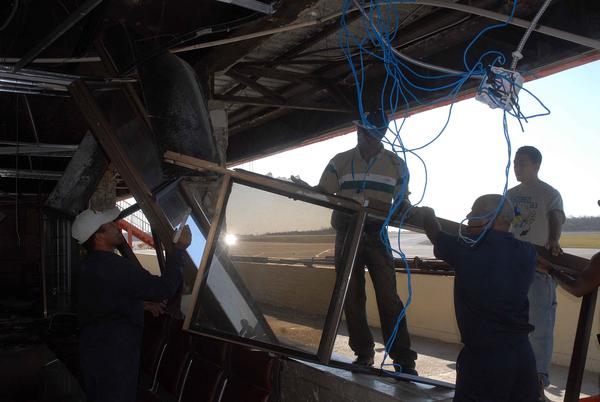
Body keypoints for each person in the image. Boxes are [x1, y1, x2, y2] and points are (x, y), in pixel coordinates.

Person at [301, 110, 417, 374]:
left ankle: (403, 359)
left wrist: (411, 210)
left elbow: (402, 202)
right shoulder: (340, 161)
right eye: (362, 130)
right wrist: (304, 190)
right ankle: (363, 353)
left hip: (377, 235)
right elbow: (323, 192)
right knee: (351, 297)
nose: (363, 134)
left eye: (368, 130)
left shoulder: (396, 165)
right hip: (346, 233)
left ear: (380, 132)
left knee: (389, 299)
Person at [419, 195, 538, 401]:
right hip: (523, 357)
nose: (468, 217)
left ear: (489, 219)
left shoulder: (467, 249)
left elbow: (435, 232)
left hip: (485, 360)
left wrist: (427, 213)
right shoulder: (528, 252)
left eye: (473, 213)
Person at [72, 206, 191, 402]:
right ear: (98, 237)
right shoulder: (115, 267)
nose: (116, 226)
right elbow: (164, 289)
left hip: (92, 351)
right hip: (115, 358)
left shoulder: (88, 265)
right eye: (109, 225)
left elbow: (103, 302)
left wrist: (139, 304)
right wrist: (178, 251)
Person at [507, 145, 565, 399]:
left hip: (538, 270)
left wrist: (553, 240)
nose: (517, 167)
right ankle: (510, 380)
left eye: (522, 163)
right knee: (508, 327)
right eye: (515, 162)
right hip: (510, 269)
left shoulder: (549, 193)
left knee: (539, 330)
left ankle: (537, 383)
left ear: (536, 166)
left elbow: (555, 217)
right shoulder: (509, 195)